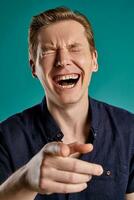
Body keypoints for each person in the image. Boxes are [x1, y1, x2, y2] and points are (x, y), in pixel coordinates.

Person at [0, 6, 134, 200]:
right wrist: (24, 181)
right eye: (48, 51)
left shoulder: (129, 130)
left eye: (74, 48)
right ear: (33, 68)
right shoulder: (6, 138)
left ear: (94, 60)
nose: (63, 60)